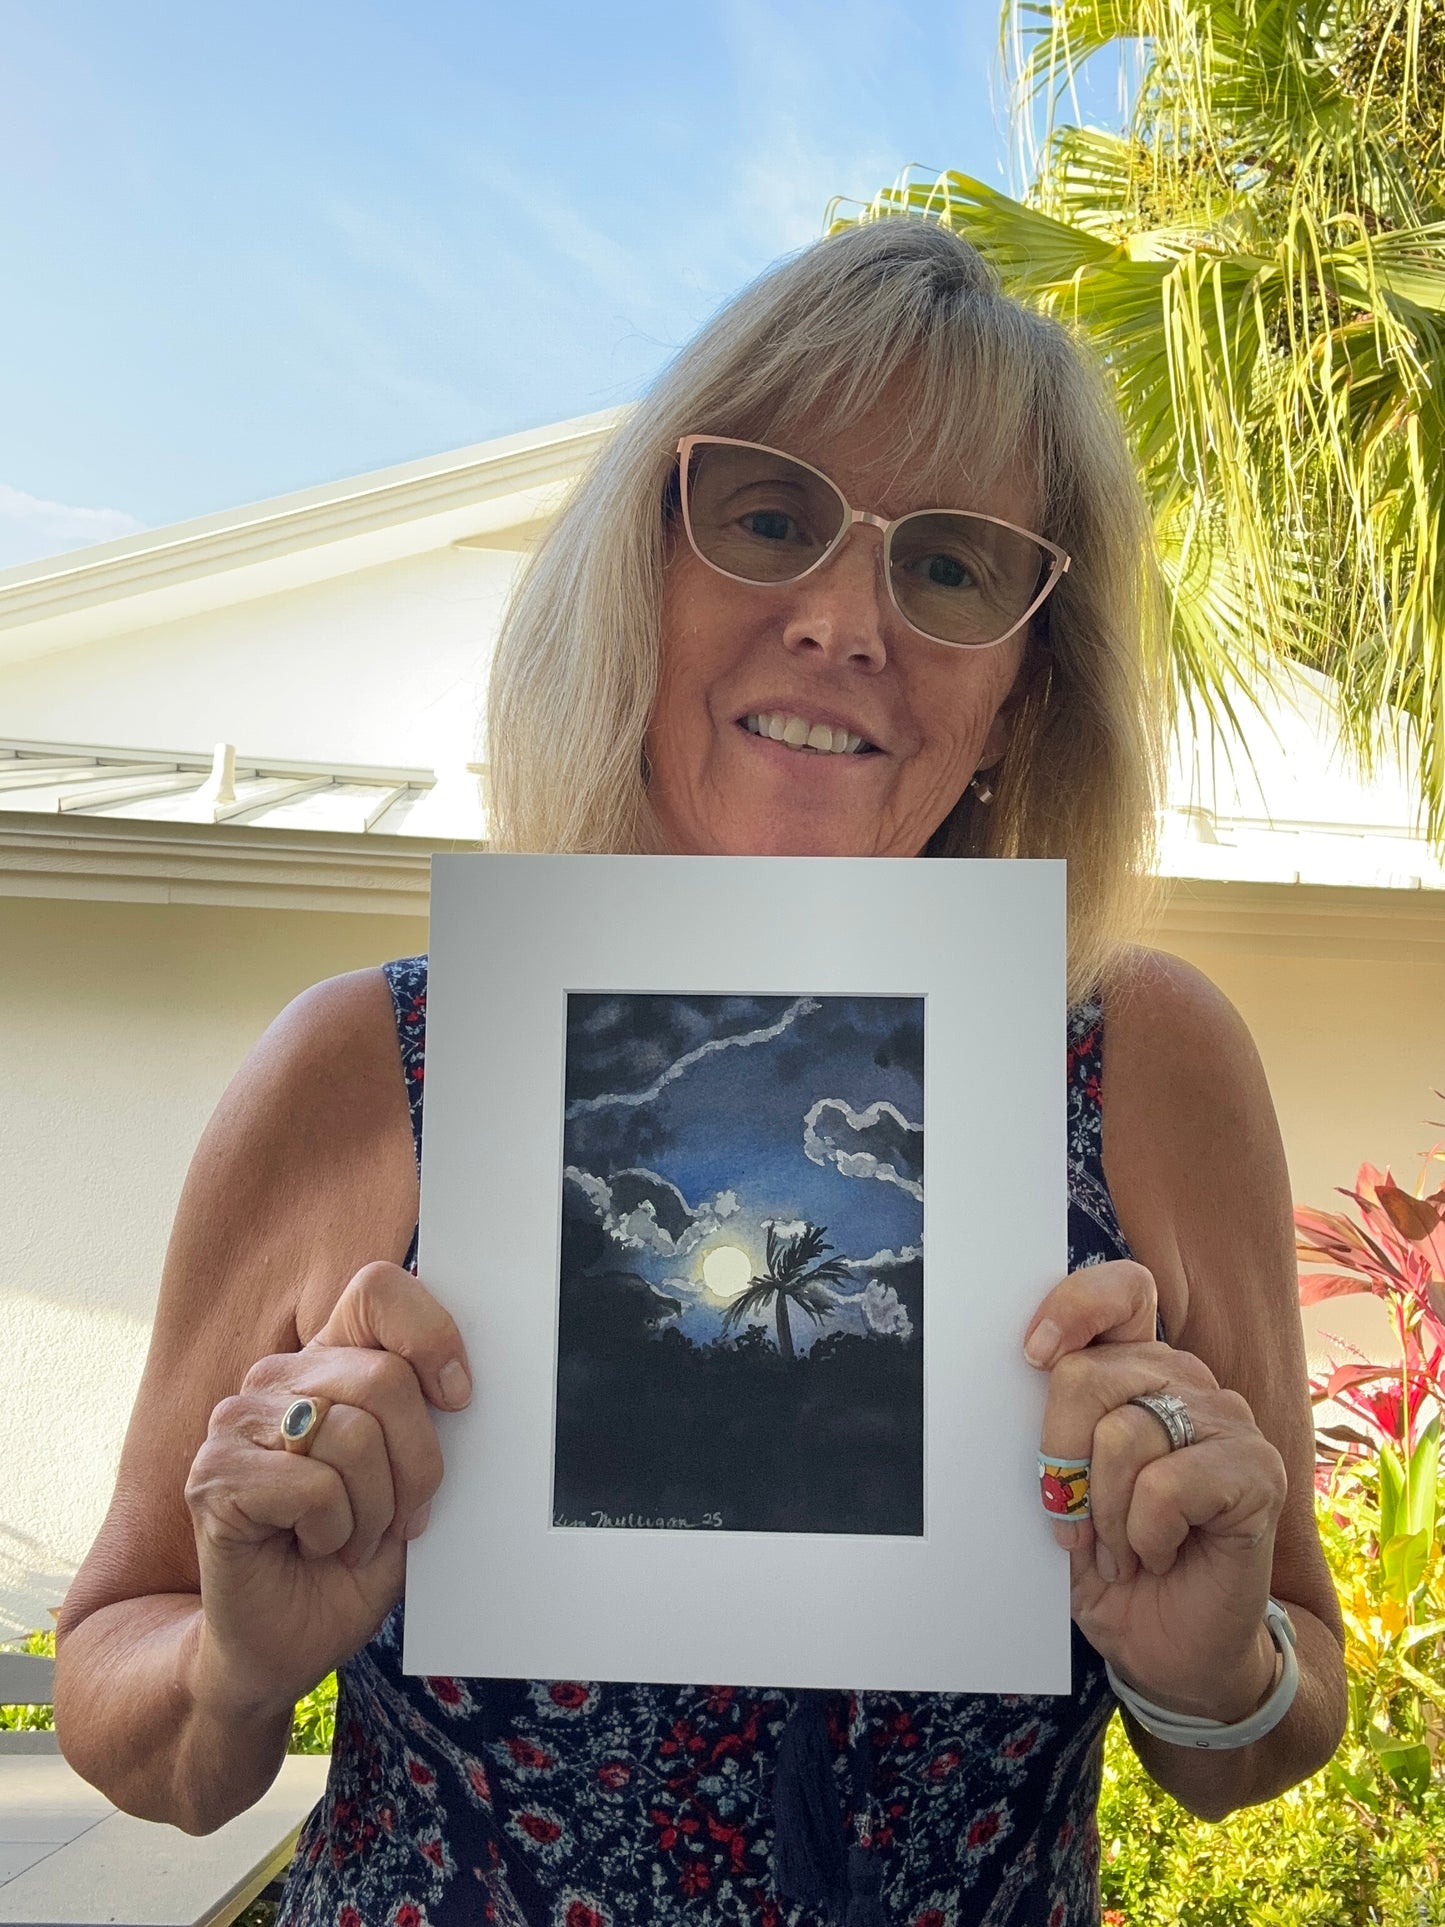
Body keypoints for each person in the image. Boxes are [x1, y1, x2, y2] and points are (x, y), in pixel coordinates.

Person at [55, 219, 1346, 1927]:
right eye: (766, 517)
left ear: (1025, 693)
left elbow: (1263, 1717)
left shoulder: (1143, 1056)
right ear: (638, 576)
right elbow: (122, 1689)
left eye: (952, 564)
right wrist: (233, 1659)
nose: (841, 620)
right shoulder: (363, 1062)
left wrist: (1208, 1665)